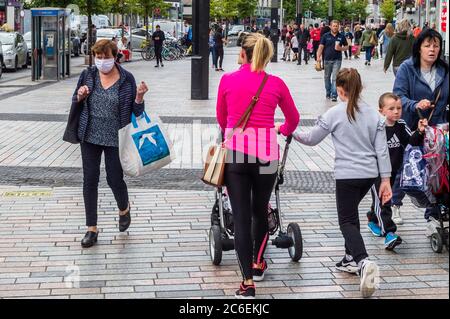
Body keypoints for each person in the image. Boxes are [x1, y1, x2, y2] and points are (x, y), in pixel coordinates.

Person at [287, 68, 391, 298]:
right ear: (360, 88)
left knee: (346, 221)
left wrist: (290, 131)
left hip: (347, 175)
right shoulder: (375, 115)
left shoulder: (334, 113)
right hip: (370, 175)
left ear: (340, 89)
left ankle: (363, 261)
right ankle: (349, 259)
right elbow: (382, 151)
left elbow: (312, 139)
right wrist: (385, 180)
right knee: (351, 215)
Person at [216, 32, 299, 299]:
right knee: (260, 211)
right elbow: (293, 119)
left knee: (240, 217)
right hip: (266, 156)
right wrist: (281, 129)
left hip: (237, 154)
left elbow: (221, 117)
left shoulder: (227, 80)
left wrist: (232, 131)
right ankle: (258, 262)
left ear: (243, 54)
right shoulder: (276, 83)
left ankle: (247, 282)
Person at [73, 39, 148, 248]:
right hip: (89, 134)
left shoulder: (126, 79)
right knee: (90, 179)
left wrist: (139, 97)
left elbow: (137, 112)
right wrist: (80, 96)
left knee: (114, 179)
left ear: (115, 57)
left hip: (117, 137)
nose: (102, 61)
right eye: (98, 57)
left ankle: (124, 208)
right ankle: (91, 228)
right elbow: (75, 100)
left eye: (106, 57)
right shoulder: (87, 75)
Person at [393, 28, 449, 227]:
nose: (432, 50)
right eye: (427, 46)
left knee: (437, 170)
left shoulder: (445, 69)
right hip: (412, 127)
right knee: (406, 167)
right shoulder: (407, 68)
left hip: (438, 129)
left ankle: (433, 215)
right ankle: (394, 204)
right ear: (419, 48)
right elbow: (398, 96)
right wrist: (415, 104)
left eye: (436, 45)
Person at [367, 93, 427, 248]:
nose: (396, 111)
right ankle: (389, 233)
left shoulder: (401, 125)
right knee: (384, 201)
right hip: (376, 172)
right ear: (381, 111)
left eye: (398, 108)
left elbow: (411, 142)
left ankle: (372, 219)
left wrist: (419, 131)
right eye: (391, 108)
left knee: (382, 199)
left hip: (393, 170)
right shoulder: (376, 127)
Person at [317, 20, 348, 102]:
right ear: (330, 26)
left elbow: (347, 47)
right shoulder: (325, 36)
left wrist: (340, 48)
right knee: (327, 77)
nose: (335, 27)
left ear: (339, 27)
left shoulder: (341, 36)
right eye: (333, 26)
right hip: (327, 59)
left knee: (335, 78)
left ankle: (334, 94)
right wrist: (318, 57)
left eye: (336, 26)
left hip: (337, 60)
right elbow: (321, 47)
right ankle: (328, 92)